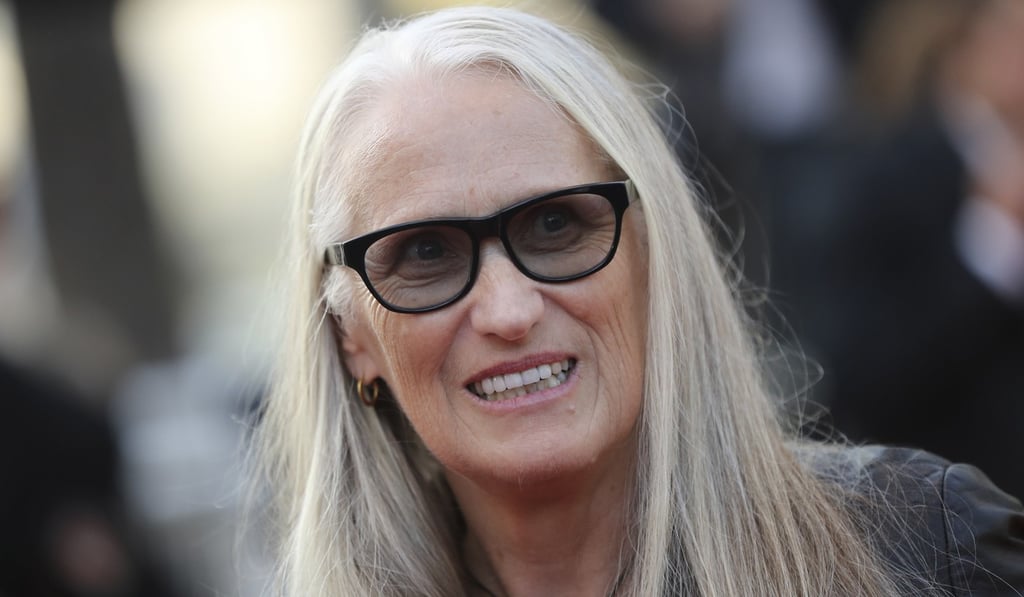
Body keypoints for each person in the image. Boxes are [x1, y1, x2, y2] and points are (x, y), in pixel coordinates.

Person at [252, 6, 1024, 596]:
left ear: (656, 256)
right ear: (349, 330)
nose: (509, 309)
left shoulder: (928, 550)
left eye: (556, 225)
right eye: (425, 252)